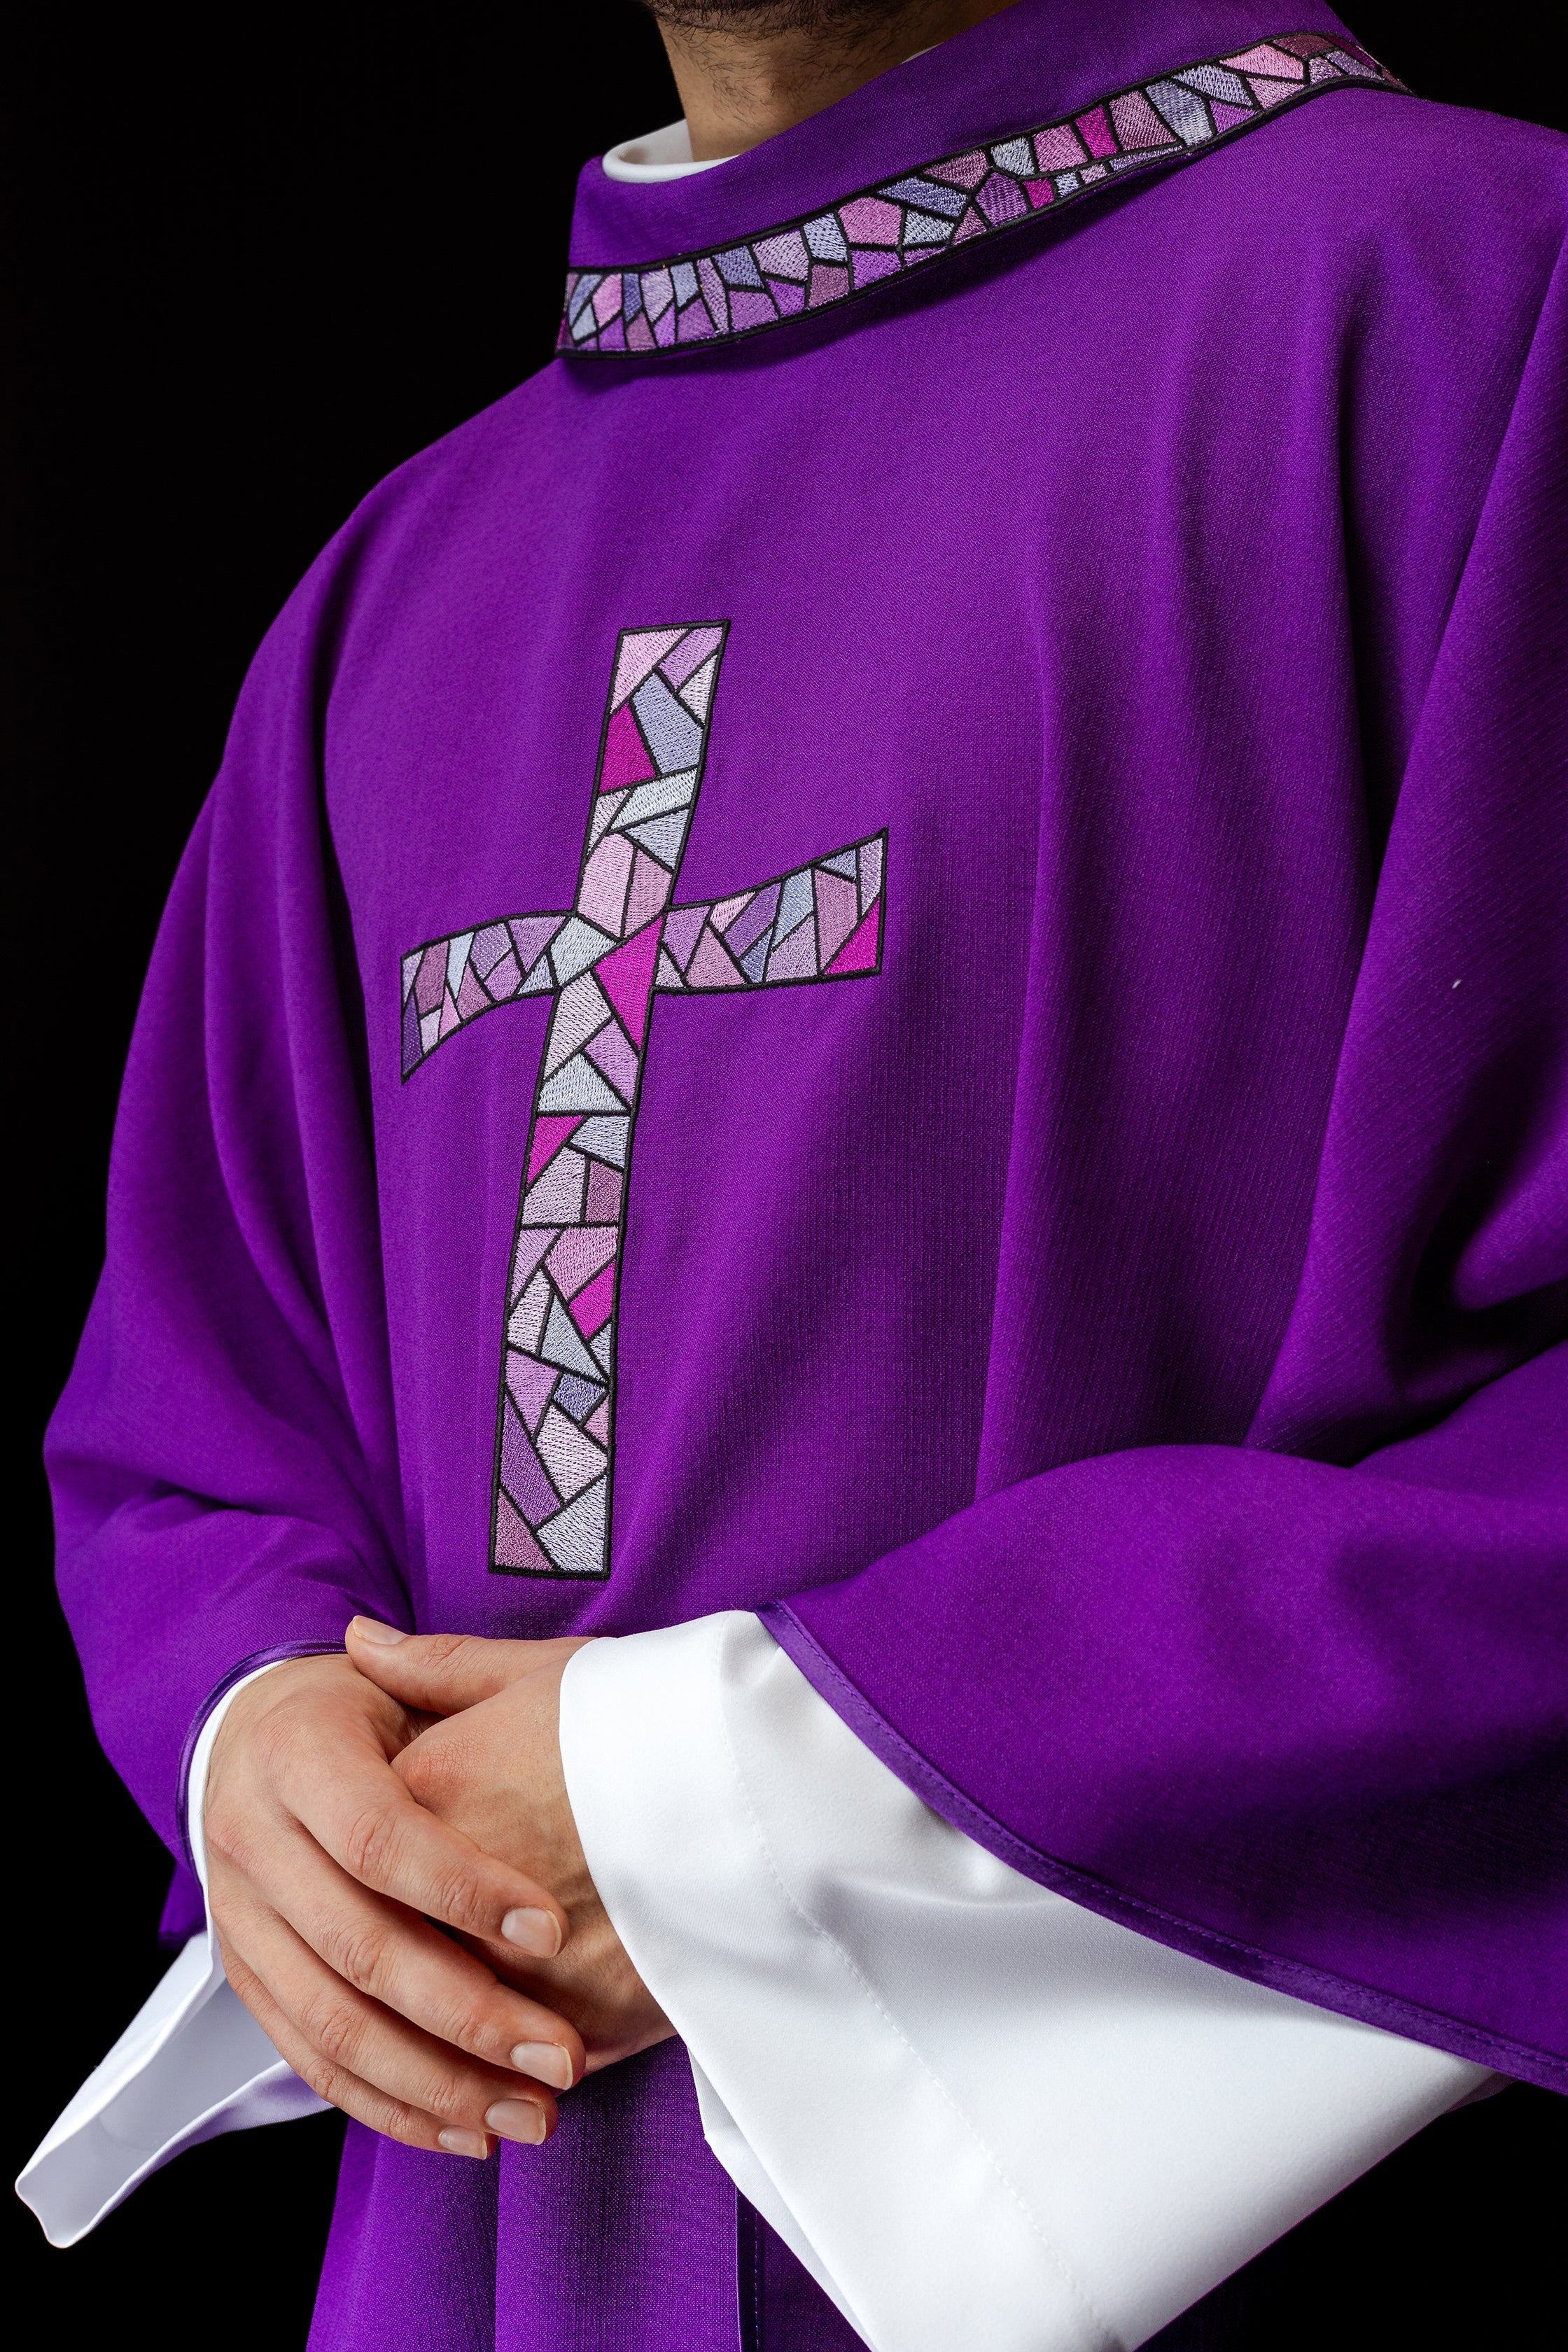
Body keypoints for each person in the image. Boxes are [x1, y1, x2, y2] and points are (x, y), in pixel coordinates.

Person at [18, 1, 1566, 2346]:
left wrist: (751, 1791)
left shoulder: (1462, 307)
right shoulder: (395, 591)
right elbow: (192, 1425)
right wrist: (263, 1746)